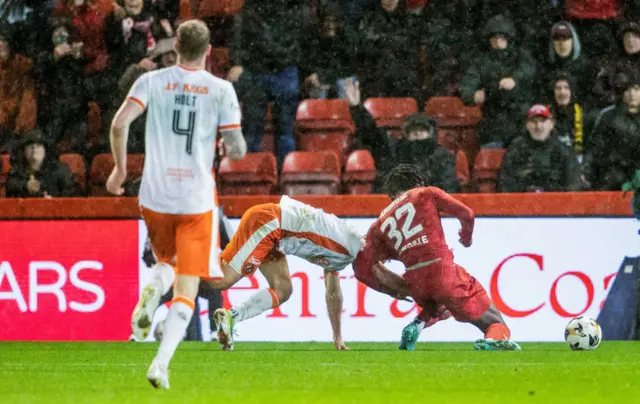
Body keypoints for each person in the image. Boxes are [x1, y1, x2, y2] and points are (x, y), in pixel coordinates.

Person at [105, 19, 246, 389]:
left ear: (175, 47)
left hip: (154, 195)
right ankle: (160, 365)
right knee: (189, 288)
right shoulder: (221, 89)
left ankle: (153, 286)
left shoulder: (151, 81)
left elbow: (120, 124)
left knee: (167, 263)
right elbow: (236, 148)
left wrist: (119, 171)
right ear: (209, 51)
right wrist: (237, 146)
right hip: (196, 198)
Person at [352, 164, 521, 351]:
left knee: (444, 302)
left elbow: (361, 268)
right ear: (418, 183)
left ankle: (417, 324)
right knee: (495, 322)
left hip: (415, 283)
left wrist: (392, 289)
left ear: (391, 195)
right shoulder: (425, 193)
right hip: (441, 270)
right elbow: (467, 215)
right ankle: (492, 341)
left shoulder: (379, 225)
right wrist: (466, 237)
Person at [210, 195, 362, 351]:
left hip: (276, 237)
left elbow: (333, 292)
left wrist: (337, 337)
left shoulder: (343, 254)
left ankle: (230, 316)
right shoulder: (354, 243)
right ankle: (188, 258)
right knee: (221, 281)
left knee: (283, 289)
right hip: (268, 222)